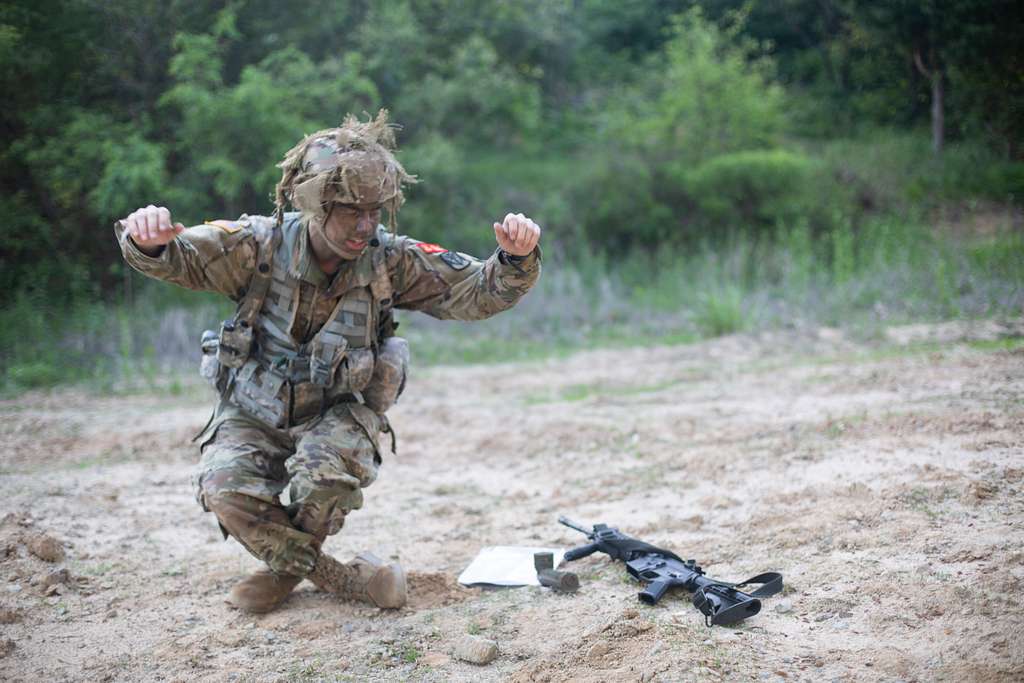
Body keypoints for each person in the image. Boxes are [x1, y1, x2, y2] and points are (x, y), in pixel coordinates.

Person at [114, 111, 541, 613]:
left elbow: (474, 291)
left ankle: (283, 570)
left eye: (374, 212)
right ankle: (340, 578)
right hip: (253, 411)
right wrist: (148, 240)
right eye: (350, 212)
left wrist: (514, 258)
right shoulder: (258, 244)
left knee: (325, 480)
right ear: (315, 204)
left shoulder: (390, 260)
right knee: (224, 490)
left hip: (336, 414)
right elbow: (180, 255)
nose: (365, 225)